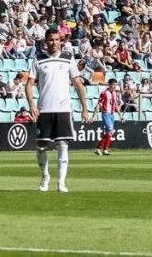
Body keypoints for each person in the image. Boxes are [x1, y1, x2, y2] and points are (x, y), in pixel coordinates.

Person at [25, 28, 89, 193]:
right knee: (41, 146)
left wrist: (84, 108)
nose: (54, 43)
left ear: (61, 41)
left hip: (63, 109)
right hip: (44, 109)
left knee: (63, 145)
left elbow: (78, 84)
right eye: (51, 40)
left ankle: (61, 182)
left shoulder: (68, 58)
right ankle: (45, 176)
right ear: (46, 42)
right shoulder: (38, 59)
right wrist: (32, 104)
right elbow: (29, 84)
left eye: (56, 39)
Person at [92, 78, 121, 156]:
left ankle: (102, 149)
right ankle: (102, 148)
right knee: (111, 130)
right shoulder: (104, 93)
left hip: (112, 114)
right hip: (106, 114)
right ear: (109, 85)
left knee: (109, 132)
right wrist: (93, 116)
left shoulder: (114, 93)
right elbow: (98, 105)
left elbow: (115, 105)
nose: (115, 86)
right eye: (113, 85)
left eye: (115, 85)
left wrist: (120, 116)